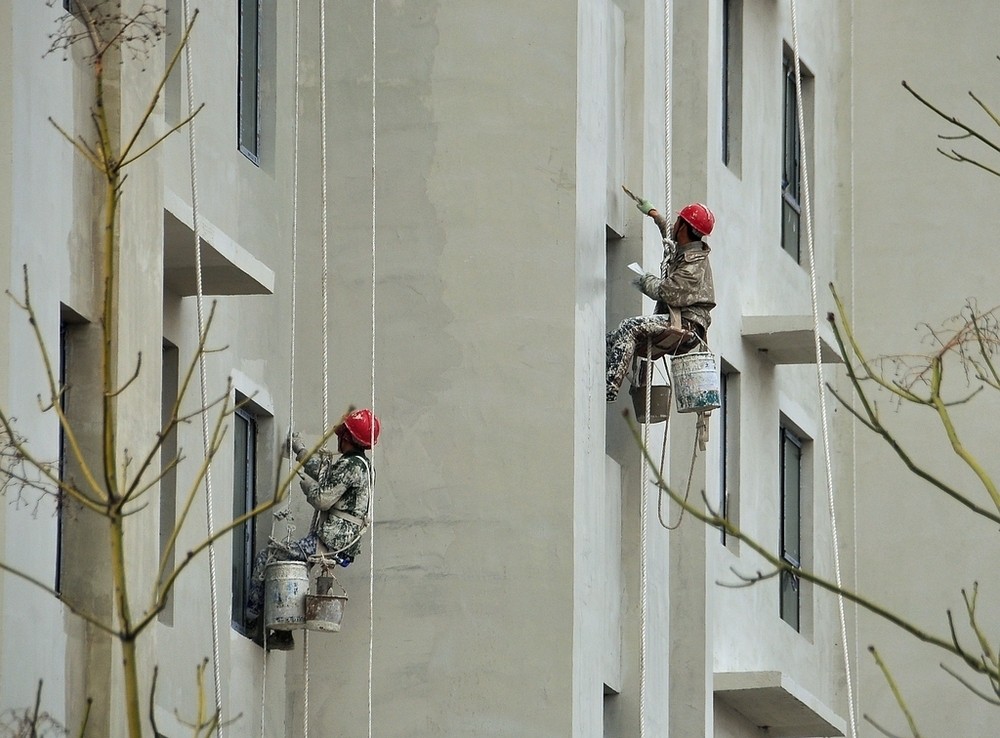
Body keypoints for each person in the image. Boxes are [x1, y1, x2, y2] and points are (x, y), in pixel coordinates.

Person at [246, 407, 381, 649]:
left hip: (331, 539)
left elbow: (322, 499)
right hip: (341, 542)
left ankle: (251, 622)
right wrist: (300, 451)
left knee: (268, 558)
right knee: (297, 573)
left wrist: (310, 489)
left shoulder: (351, 466)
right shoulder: (362, 466)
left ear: (347, 437)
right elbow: (326, 472)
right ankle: (283, 635)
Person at [606, 200, 716, 402]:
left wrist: (644, 279)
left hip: (687, 325)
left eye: (678, 221)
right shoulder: (686, 246)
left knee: (629, 327)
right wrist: (654, 214)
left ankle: (609, 389)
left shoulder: (692, 267)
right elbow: (670, 231)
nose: (674, 224)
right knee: (612, 339)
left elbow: (667, 292)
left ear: (683, 227)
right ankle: (605, 379)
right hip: (679, 320)